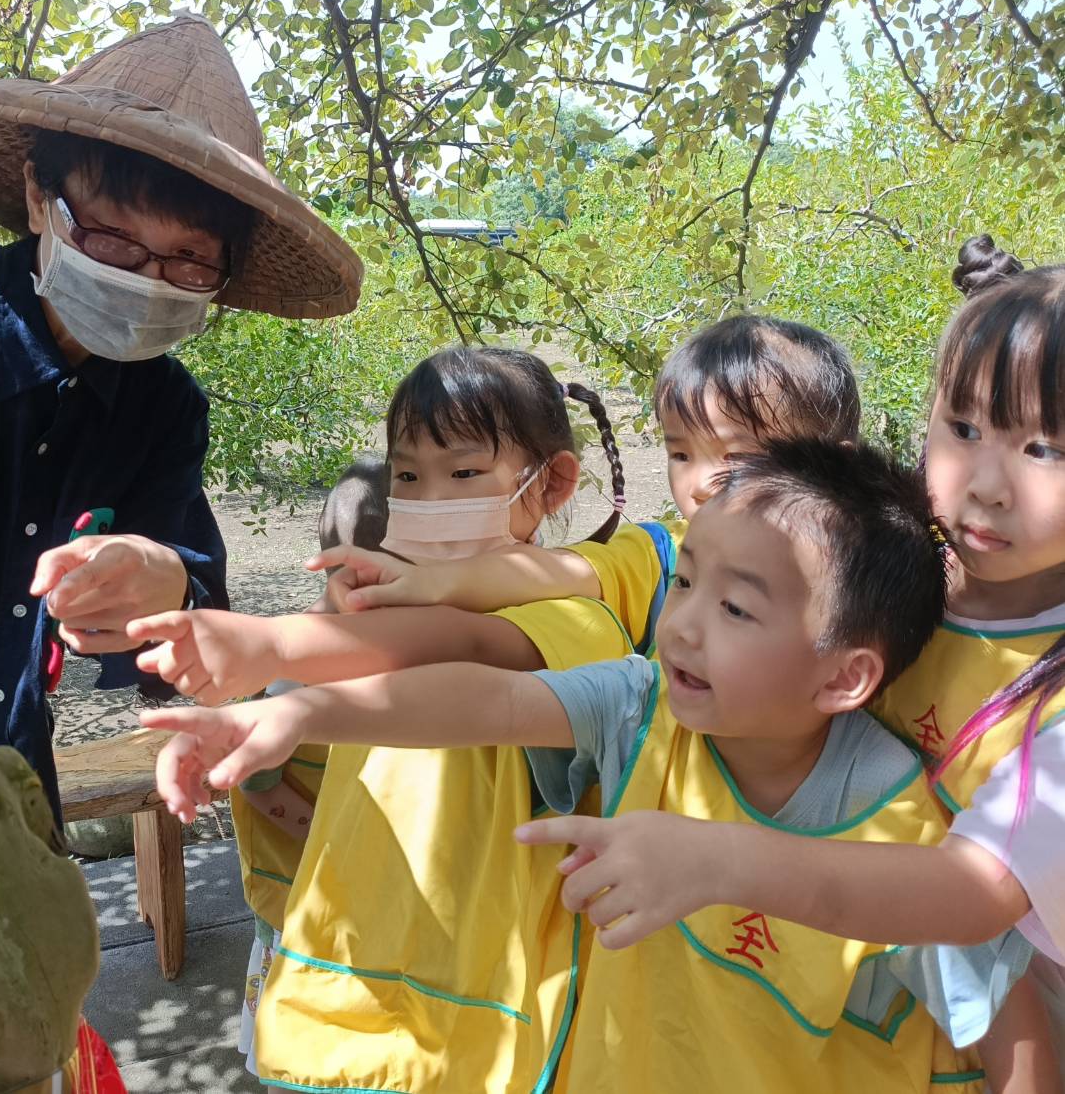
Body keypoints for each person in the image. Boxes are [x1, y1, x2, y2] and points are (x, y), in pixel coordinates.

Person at [141, 440, 1052, 1093]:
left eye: (737, 610)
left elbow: (1003, 1024)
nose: (682, 625)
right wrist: (300, 710)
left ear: (844, 676)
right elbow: (490, 701)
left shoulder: (899, 829)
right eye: (684, 582)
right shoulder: (640, 707)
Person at [465, 241, 1065, 1075]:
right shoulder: (880, 572)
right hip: (832, 987)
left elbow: (973, 897)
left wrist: (715, 859)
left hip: (1011, 1008)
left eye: (1046, 450)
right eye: (962, 428)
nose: (987, 483)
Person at [0, 13, 360, 830]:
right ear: (38, 199)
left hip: (4, 798)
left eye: (189, 259)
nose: (148, 278)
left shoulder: (162, 407)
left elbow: (182, 603)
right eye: (113, 238)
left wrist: (163, 579)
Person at [129, 345, 629, 1091]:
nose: (428, 499)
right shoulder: (366, 610)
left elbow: (462, 648)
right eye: (407, 476)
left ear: (551, 482)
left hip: (499, 990)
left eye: (464, 474)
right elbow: (326, 700)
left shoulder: (577, 617)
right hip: (364, 962)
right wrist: (240, 731)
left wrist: (278, 647)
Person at [308, 315, 861, 652]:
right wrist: (423, 584)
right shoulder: (661, 554)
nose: (696, 484)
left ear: (835, 469)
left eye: (736, 457)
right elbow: (553, 570)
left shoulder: (875, 573)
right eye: (680, 454)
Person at [234, 456, 388, 1076]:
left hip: (355, 893)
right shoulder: (291, 672)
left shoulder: (377, 646)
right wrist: (340, 839)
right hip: (301, 898)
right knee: (296, 1043)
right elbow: (256, 784)